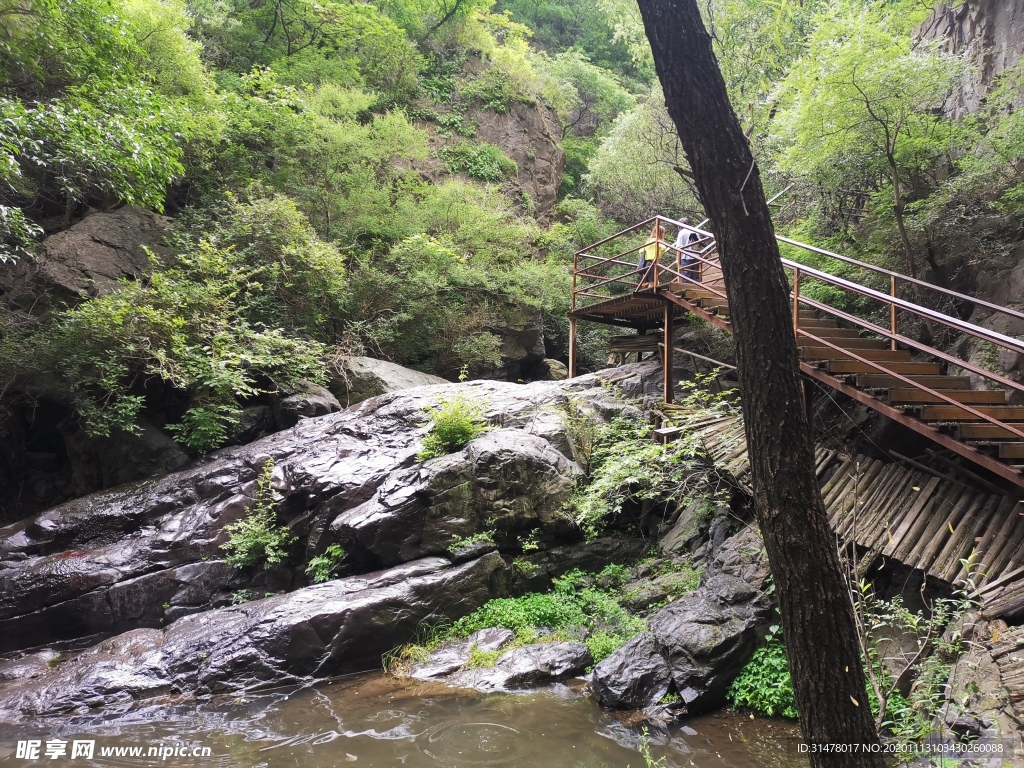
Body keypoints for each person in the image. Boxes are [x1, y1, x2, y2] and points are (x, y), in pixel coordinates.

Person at [636, 222, 665, 289]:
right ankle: (651, 295)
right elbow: (663, 248)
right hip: (652, 262)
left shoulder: (649, 240)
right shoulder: (657, 241)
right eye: (663, 233)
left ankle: (647, 289)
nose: (664, 234)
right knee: (653, 282)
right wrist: (657, 256)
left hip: (645, 263)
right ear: (660, 233)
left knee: (654, 281)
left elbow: (640, 250)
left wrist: (645, 256)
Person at [673, 218, 700, 283]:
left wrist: (677, 259)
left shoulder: (681, 233)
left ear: (679, 226)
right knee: (695, 278)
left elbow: (679, 247)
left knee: (686, 278)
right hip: (696, 257)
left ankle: (686, 292)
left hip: (686, 258)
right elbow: (699, 244)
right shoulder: (695, 231)